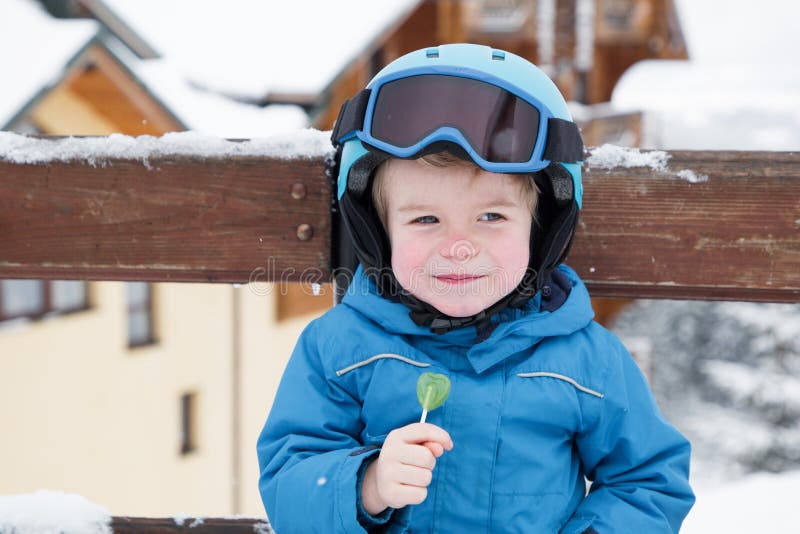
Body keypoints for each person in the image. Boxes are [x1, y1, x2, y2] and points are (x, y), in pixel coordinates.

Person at [257, 43, 694, 533]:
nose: (459, 247)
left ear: (540, 226)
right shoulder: (339, 349)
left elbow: (650, 482)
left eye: (491, 216)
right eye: (425, 218)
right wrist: (369, 485)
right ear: (378, 233)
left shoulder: (587, 362)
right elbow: (288, 481)